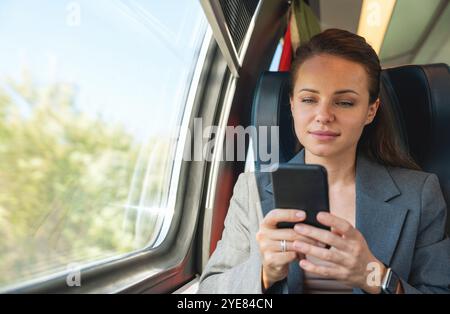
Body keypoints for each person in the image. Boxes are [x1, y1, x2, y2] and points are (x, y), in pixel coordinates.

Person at [197, 28, 450, 294]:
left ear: (370, 111)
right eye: (309, 99)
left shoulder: (420, 194)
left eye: (344, 103)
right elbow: (209, 292)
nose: (324, 115)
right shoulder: (252, 190)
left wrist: (374, 275)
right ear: (293, 105)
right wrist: (264, 273)